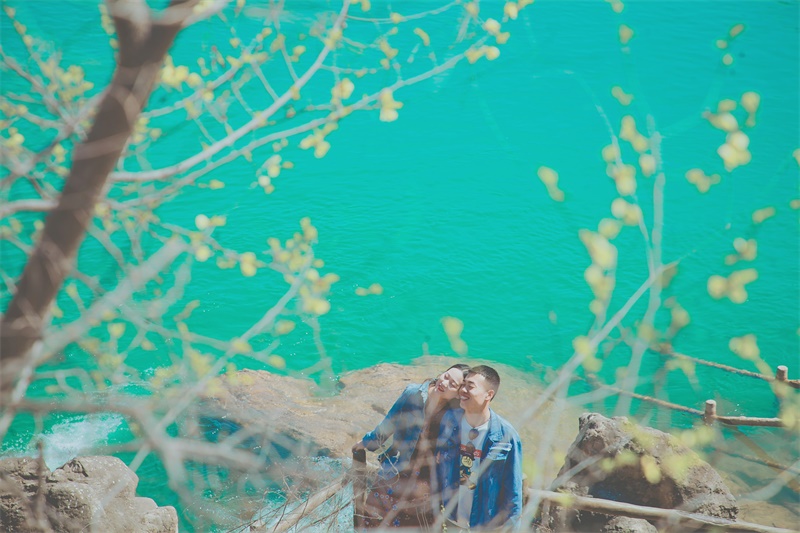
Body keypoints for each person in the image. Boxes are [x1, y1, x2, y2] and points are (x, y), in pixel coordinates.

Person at [352, 363, 470, 529]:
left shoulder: (456, 413)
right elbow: (388, 424)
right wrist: (365, 443)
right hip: (397, 469)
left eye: (452, 384)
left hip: (426, 481)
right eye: (446, 376)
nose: (444, 383)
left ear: (458, 393)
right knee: (374, 521)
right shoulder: (413, 394)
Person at [435, 365, 523, 530]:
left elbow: (513, 491)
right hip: (451, 517)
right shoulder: (450, 421)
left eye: (471, 386)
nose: (463, 390)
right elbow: (438, 466)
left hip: (485, 523)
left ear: (488, 395)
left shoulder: (506, 436)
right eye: (463, 385)